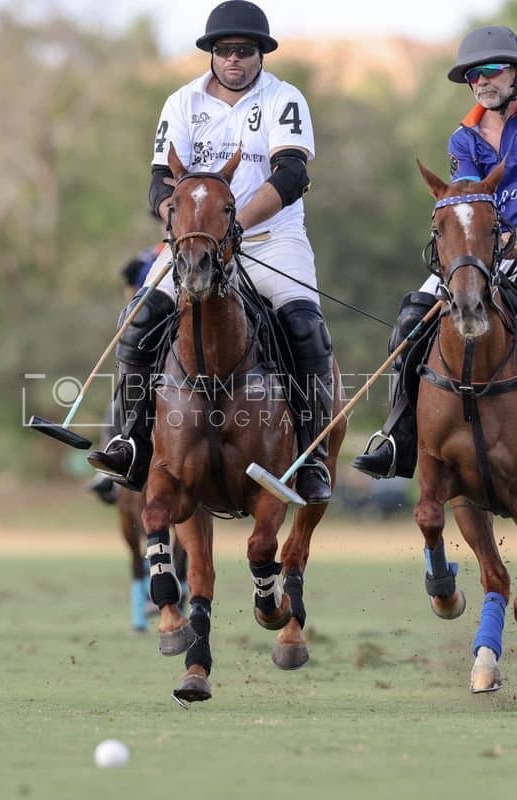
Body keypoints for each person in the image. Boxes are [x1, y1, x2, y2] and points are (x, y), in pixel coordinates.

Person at [87, 0, 336, 503]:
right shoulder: (182, 103)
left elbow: (292, 175)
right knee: (137, 321)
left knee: (306, 330)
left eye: (244, 51)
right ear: (212, 54)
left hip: (271, 239)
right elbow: (160, 183)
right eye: (224, 51)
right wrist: (186, 229)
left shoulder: (284, 99)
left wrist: (235, 226)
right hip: (195, 246)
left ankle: (311, 458)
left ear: (261, 54)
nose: (234, 61)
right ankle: (130, 444)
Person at [354, 25, 517, 480]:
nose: (482, 81)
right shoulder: (462, 138)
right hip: (479, 250)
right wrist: (480, 245)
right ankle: (398, 434)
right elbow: (464, 199)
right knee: (410, 317)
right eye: (473, 76)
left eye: (491, 71)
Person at [89, 242, 166, 506]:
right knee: (118, 404)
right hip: (148, 344)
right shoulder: (147, 258)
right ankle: (112, 468)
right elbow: (130, 292)